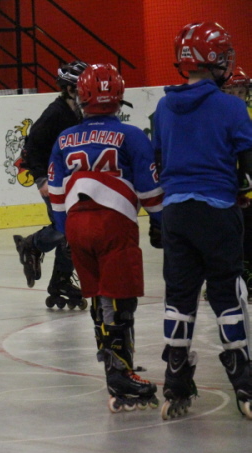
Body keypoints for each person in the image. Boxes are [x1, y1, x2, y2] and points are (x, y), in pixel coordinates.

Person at [49, 63, 164, 413]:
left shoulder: (64, 138)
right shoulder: (131, 135)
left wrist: (66, 231)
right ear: (119, 95)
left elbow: (56, 196)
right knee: (120, 299)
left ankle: (115, 365)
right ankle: (120, 374)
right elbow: (150, 190)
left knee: (100, 297)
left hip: (76, 223)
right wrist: (162, 222)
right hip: (114, 222)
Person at [153, 22, 252, 420]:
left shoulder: (163, 107)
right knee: (227, 293)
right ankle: (243, 379)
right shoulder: (231, 106)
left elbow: (159, 161)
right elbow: (247, 167)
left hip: (176, 212)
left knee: (180, 295)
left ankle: (175, 376)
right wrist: (242, 189)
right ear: (213, 60)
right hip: (217, 210)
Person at [13, 60, 88, 310]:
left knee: (70, 232)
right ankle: (33, 246)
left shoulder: (80, 111)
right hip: (53, 180)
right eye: (83, 88)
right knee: (66, 229)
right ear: (69, 89)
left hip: (72, 180)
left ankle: (58, 279)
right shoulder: (55, 113)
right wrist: (41, 179)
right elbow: (30, 148)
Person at [222, 67, 252, 298]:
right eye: (233, 92)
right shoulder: (218, 116)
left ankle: (247, 274)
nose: (238, 97)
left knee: (248, 231)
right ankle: (226, 277)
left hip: (247, 187)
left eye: (241, 92)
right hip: (226, 187)